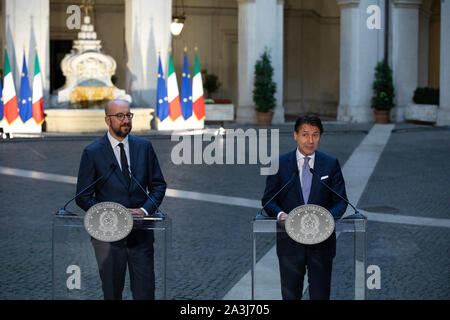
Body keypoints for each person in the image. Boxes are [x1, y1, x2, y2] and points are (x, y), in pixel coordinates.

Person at [76, 99, 167, 300]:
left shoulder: (144, 147)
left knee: (145, 294)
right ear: (108, 120)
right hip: (108, 239)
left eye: (128, 115)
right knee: (112, 294)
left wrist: (144, 210)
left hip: (141, 236)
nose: (126, 120)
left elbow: (158, 185)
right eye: (120, 116)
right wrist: (110, 214)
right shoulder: (92, 152)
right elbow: (82, 196)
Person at [261, 114, 348, 300]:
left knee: (320, 296)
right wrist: (281, 215)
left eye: (315, 135)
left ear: (320, 137)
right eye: (305, 134)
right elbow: (268, 199)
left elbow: (341, 201)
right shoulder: (279, 164)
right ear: (295, 135)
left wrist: (326, 218)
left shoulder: (331, 164)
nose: (310, 140)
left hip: (322, 245)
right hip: (289, 243)